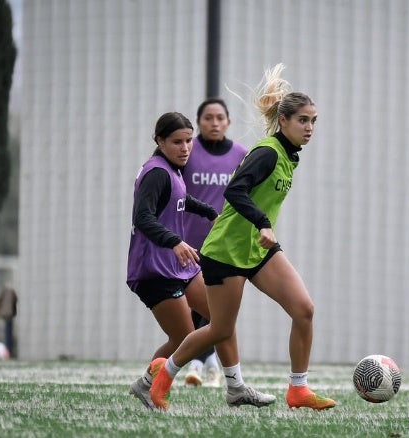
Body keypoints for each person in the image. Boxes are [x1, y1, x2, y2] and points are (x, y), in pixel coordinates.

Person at [148, 63, 336, 411]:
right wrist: (263, 223)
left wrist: (264, 231)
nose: (310, 128)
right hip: (226, 250)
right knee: (219, 329)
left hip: (258, 249)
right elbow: (235, 191)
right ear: (284, 121)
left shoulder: (289, 156)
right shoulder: (267, 152)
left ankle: (298, 390)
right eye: (303, 120)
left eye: (314, 121)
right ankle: (161, 378)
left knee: (304, 309)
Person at [127, 112, 273, 410]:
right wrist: (176, 242)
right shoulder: (156, 172)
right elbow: (142, 218)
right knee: (186, 338)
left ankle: (236, 387)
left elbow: (180, 199)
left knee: (221, 321)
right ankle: (145, 385)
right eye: (177, 142)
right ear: (159, 141)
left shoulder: (173, 169)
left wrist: (209, 212)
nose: (185, 148)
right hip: (153, 269)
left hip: (179, 265)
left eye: (188, 141)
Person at [182, 97, 247, 388]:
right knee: (195, 306)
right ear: (199, 121)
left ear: (229, 121)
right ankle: (207, 363)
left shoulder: (241, 155)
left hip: (224, 245)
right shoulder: (186, 151)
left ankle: (201, 363)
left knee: (214, 306)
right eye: (208, 117)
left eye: (220, 117)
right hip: (186, 243)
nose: (215, 122)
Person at [0, 284, 18, 357]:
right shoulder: (11, 292)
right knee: (8, 333)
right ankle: (8, 351)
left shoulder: (4, 292)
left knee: (7, 332)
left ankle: (7, 351)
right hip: (10, 314)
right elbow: (16, 299)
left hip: (5, 314)